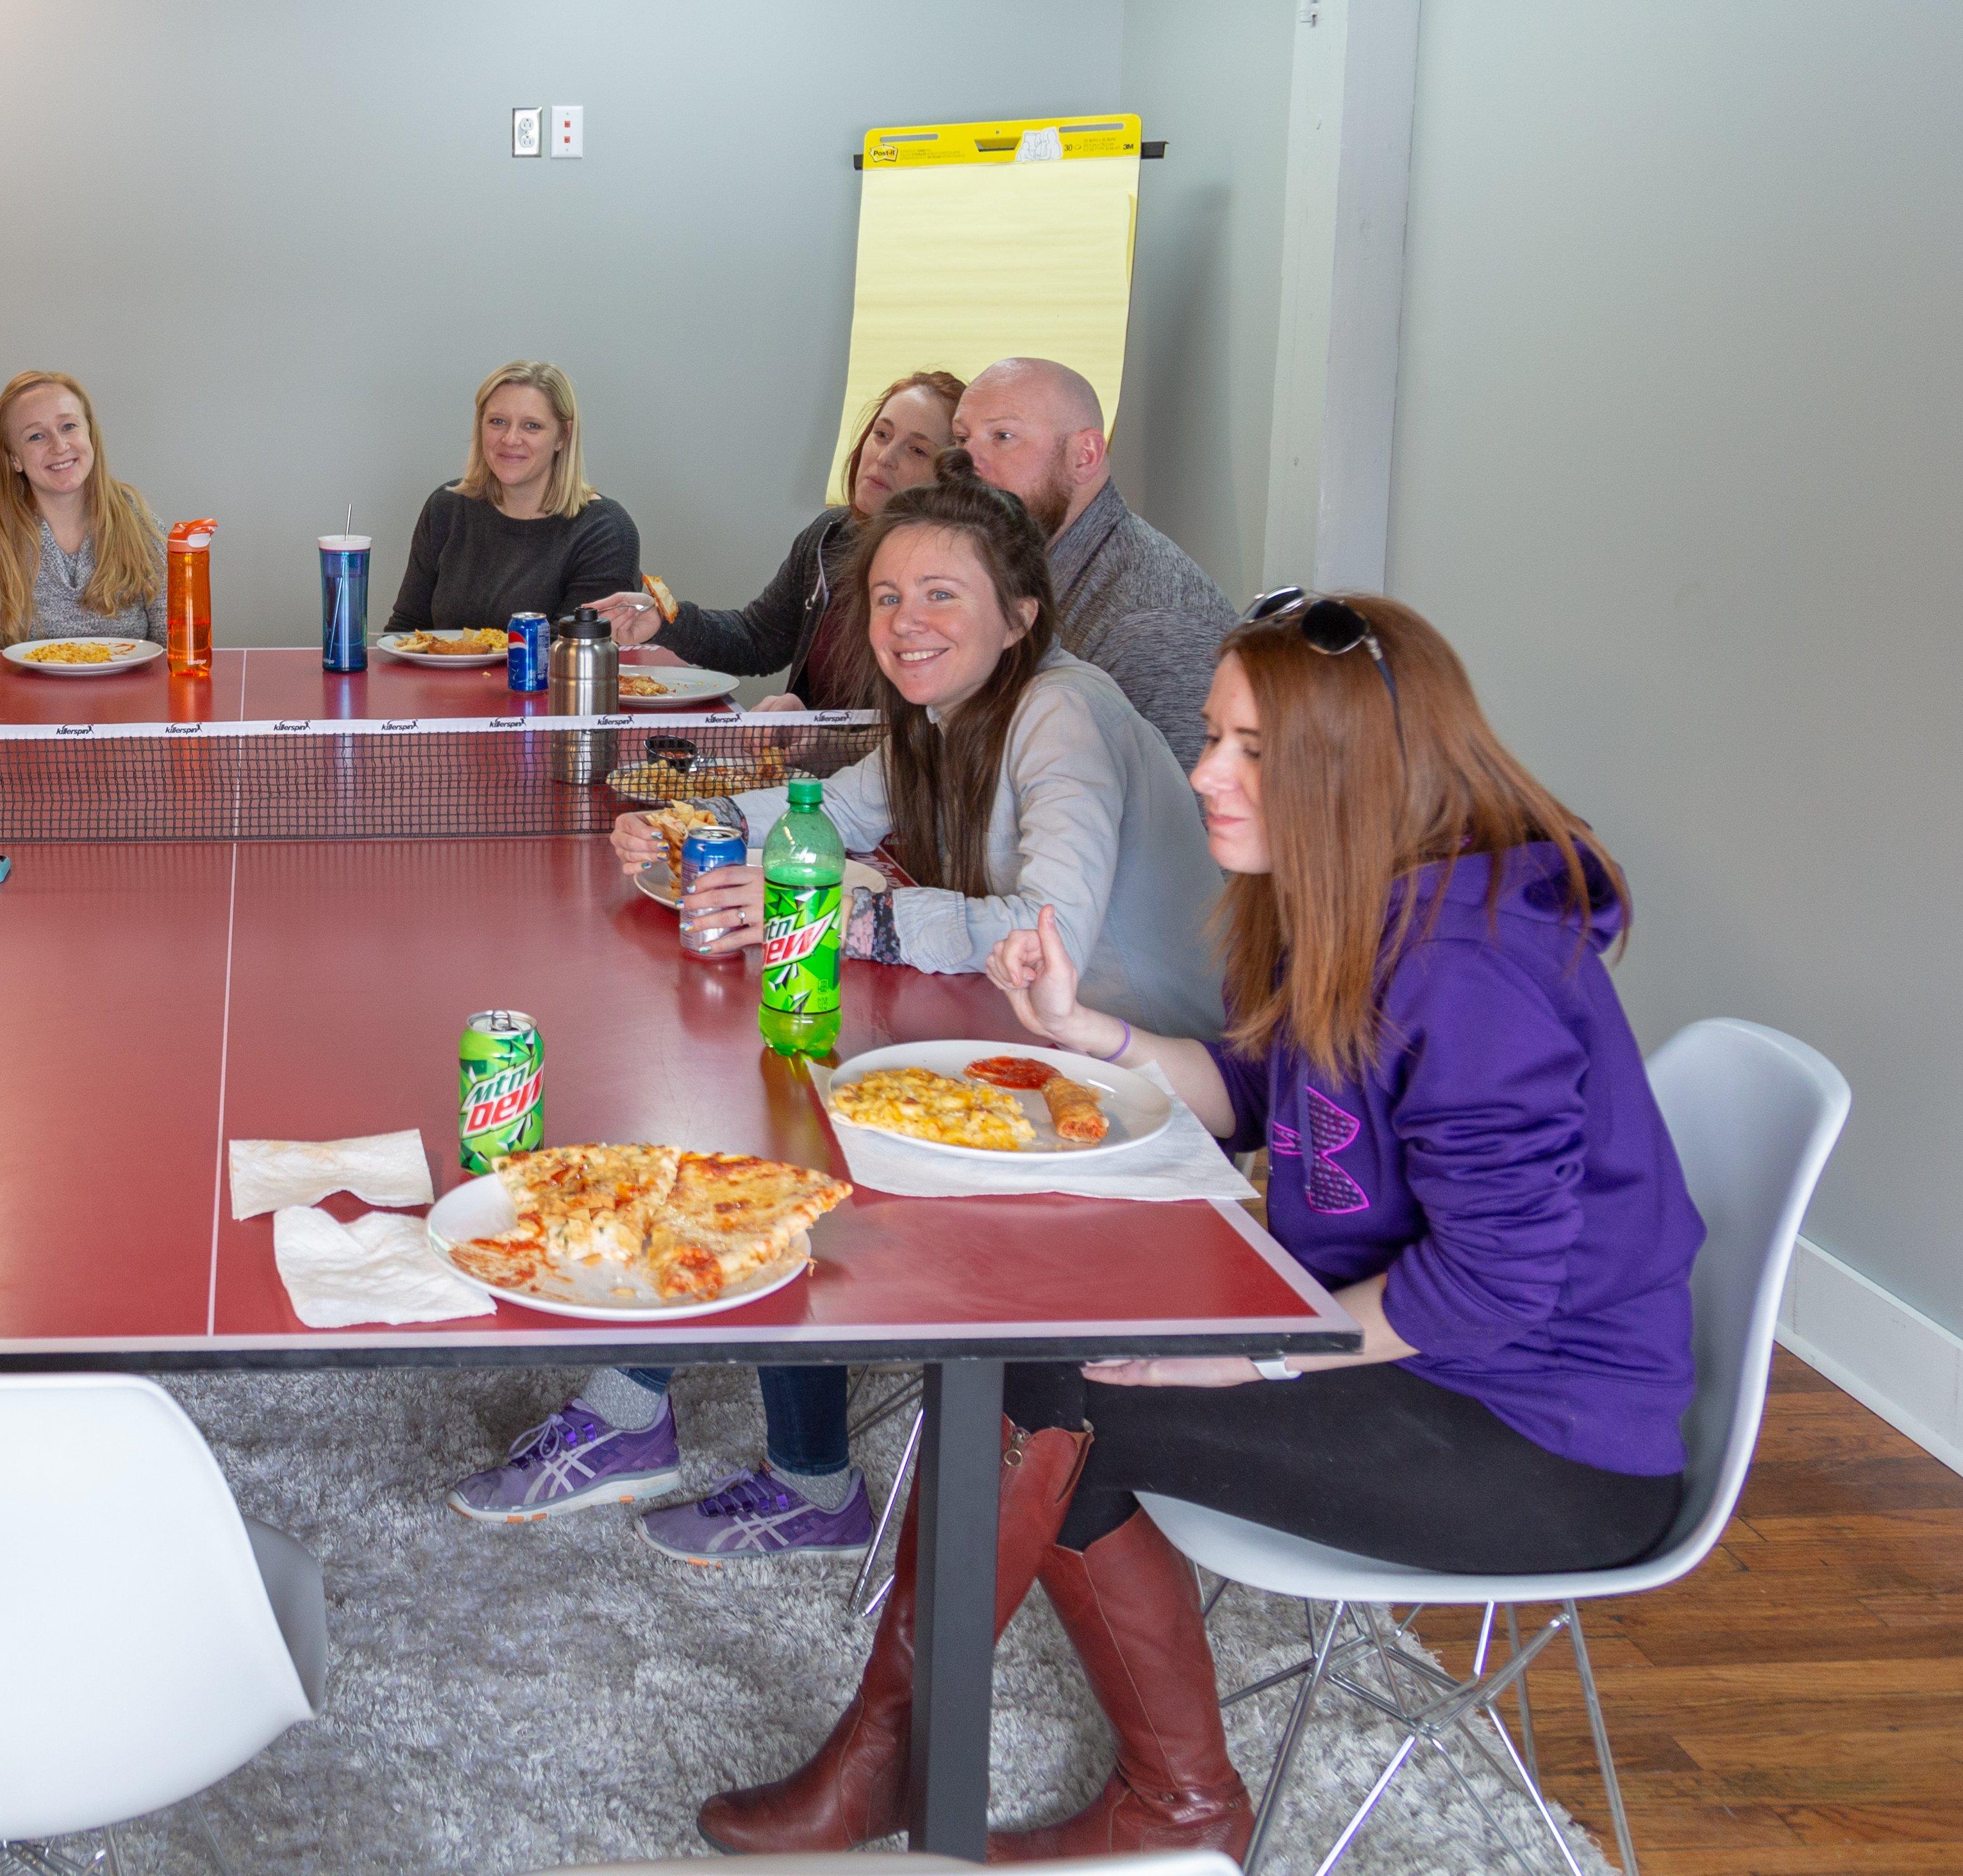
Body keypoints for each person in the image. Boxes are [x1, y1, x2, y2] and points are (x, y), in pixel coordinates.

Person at [696, 592, 1701, 1858]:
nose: (1204, 772)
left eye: (1250, 752)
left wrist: (1248, 1350)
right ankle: (1077, 1778)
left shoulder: (1472, 964)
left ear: (1354, 774)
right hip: (1441, 1373)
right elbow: (1258, 1091)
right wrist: (1081, 1031)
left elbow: (1494, 1286)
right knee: (1038, 1351)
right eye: (1216, 736)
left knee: (1054, 1387)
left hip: (1546, 1445)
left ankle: (979, 1766)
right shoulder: (1351, 901)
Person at [454, 479, 1218, 1561]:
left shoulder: (1062, 711)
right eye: (891, 596)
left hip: (1132, 1091)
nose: (909, 623)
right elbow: (835, 810)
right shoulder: (942, 711)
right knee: (757, 1085)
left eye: (944, 595)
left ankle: (755, 1465)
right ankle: (668, 1422)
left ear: (1022, 614)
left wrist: (853, 914)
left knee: (775, 1128)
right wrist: (695, 823)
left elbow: (1051, 935)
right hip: (1021, 1046)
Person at [585, 369, 960, 708]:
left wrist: (821, 737)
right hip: (816, 776)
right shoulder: (828, 536)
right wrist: (666, 619)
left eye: (917, 450)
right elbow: (758, 639)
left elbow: (924, 733)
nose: (885, 457)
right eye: (882, 435)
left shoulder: (952, 574)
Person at [954, 356, 1233, 766]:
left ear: (1084, 456)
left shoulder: (1154, 625)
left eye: (1003, 436)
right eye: (961, 438)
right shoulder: (1017, 573)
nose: (967, 461)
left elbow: (1192, 823)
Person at [387, 360, 642, 631]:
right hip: (437, 677)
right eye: (498, 422)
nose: (510, 439)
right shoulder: (447, 508)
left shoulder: (605, 532)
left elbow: (570, 654)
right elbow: (406, 629)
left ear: (562, 436)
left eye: (531, 426)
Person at [0, 369, 165, 651]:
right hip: (12, 698)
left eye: (69, 427)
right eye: (37, 436)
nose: (60, 446)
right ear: (14, 458)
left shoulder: (142, 528)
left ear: (90, 433)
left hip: (129, 697)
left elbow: (177, 651)